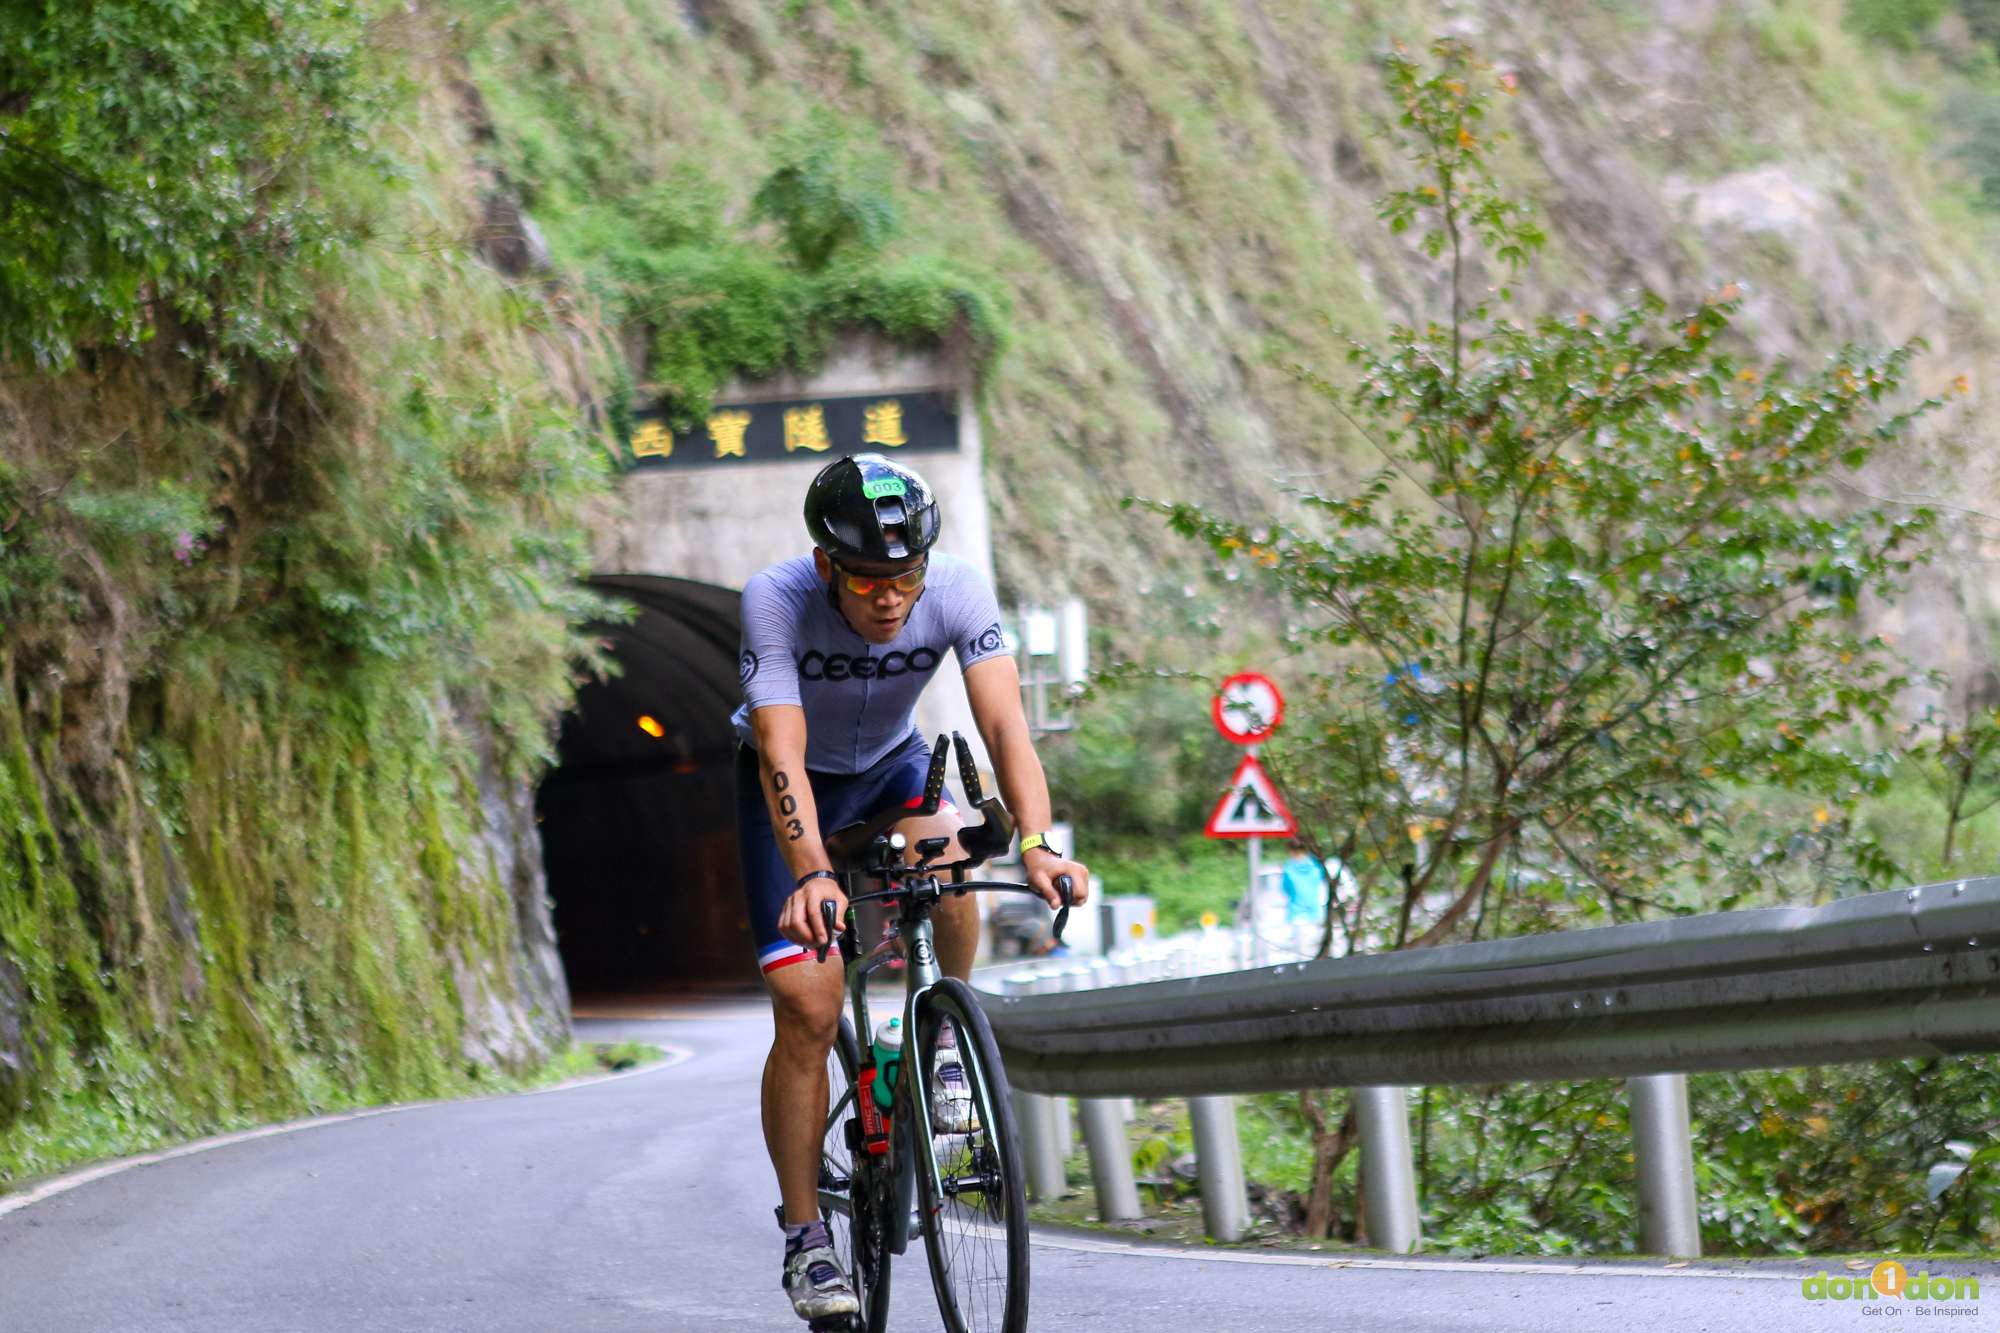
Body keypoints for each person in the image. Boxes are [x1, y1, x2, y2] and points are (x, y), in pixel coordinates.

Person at [733, 452, 1090, 1322]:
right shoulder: (774, 597)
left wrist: (1040, 842)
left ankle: (938, 1053)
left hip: (894, 767)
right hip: (793, 789)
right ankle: (808, 1242)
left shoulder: (959, 589)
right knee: (809, 1006)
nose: (890, 597)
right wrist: (814, 871)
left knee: (953, 867)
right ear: (827, 565)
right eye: (867, 581)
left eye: (906, 578)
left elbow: (1004, 721)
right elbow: (781, 750)